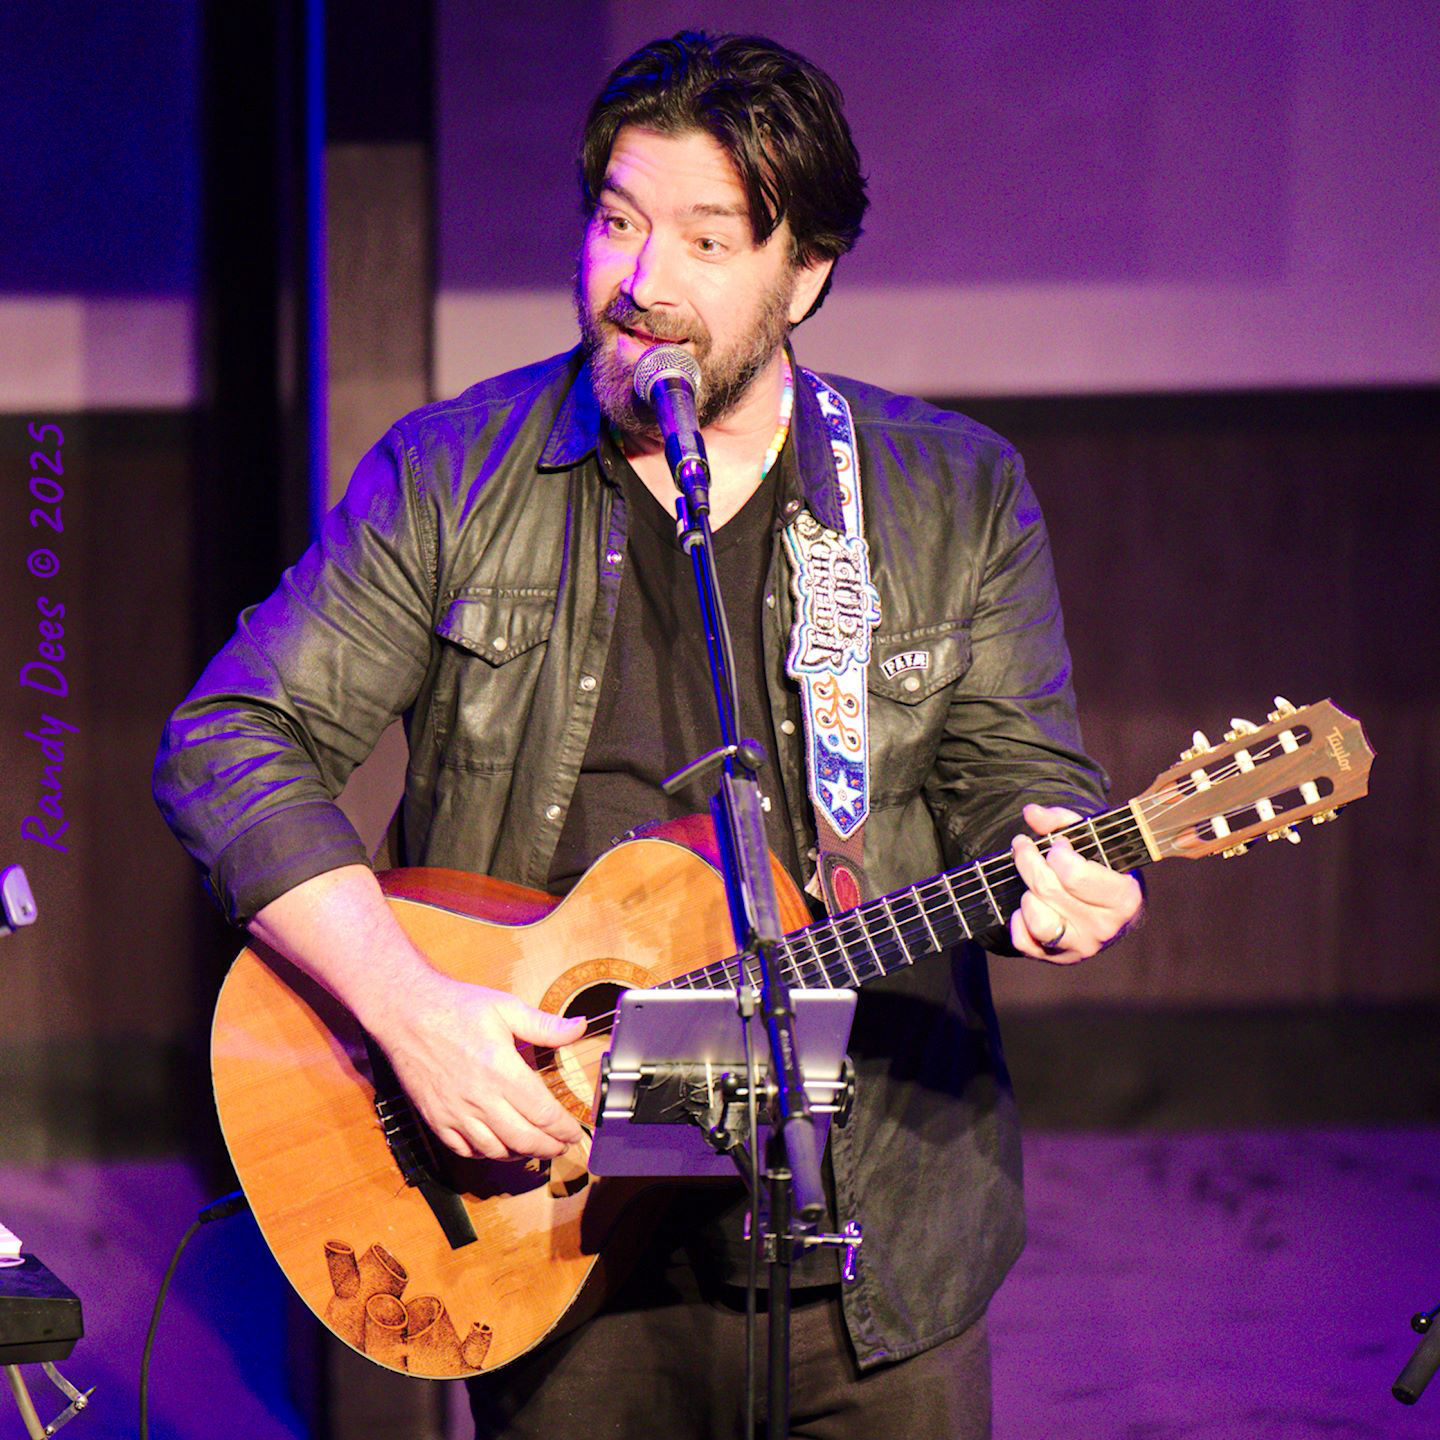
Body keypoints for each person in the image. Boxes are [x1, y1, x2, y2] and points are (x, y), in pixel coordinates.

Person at [154, 30, 1142, 1440]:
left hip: (873, 1246)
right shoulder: (455, 475)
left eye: (704, 240)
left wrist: (1052, 854)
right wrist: (412, 1011)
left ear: (805, 274)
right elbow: (229, 739)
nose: (641, 284)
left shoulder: (951, 493)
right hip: (548, 1225)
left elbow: (1019, 775)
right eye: (617, 223)